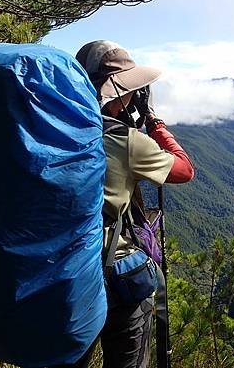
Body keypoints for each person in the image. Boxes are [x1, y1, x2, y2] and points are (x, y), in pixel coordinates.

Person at [65, 40, 194, 368]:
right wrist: (156, 126)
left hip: (63, 274)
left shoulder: (58, 132)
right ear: (116, 92)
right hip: (113, 278)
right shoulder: (125, 140)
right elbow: (184, 169)